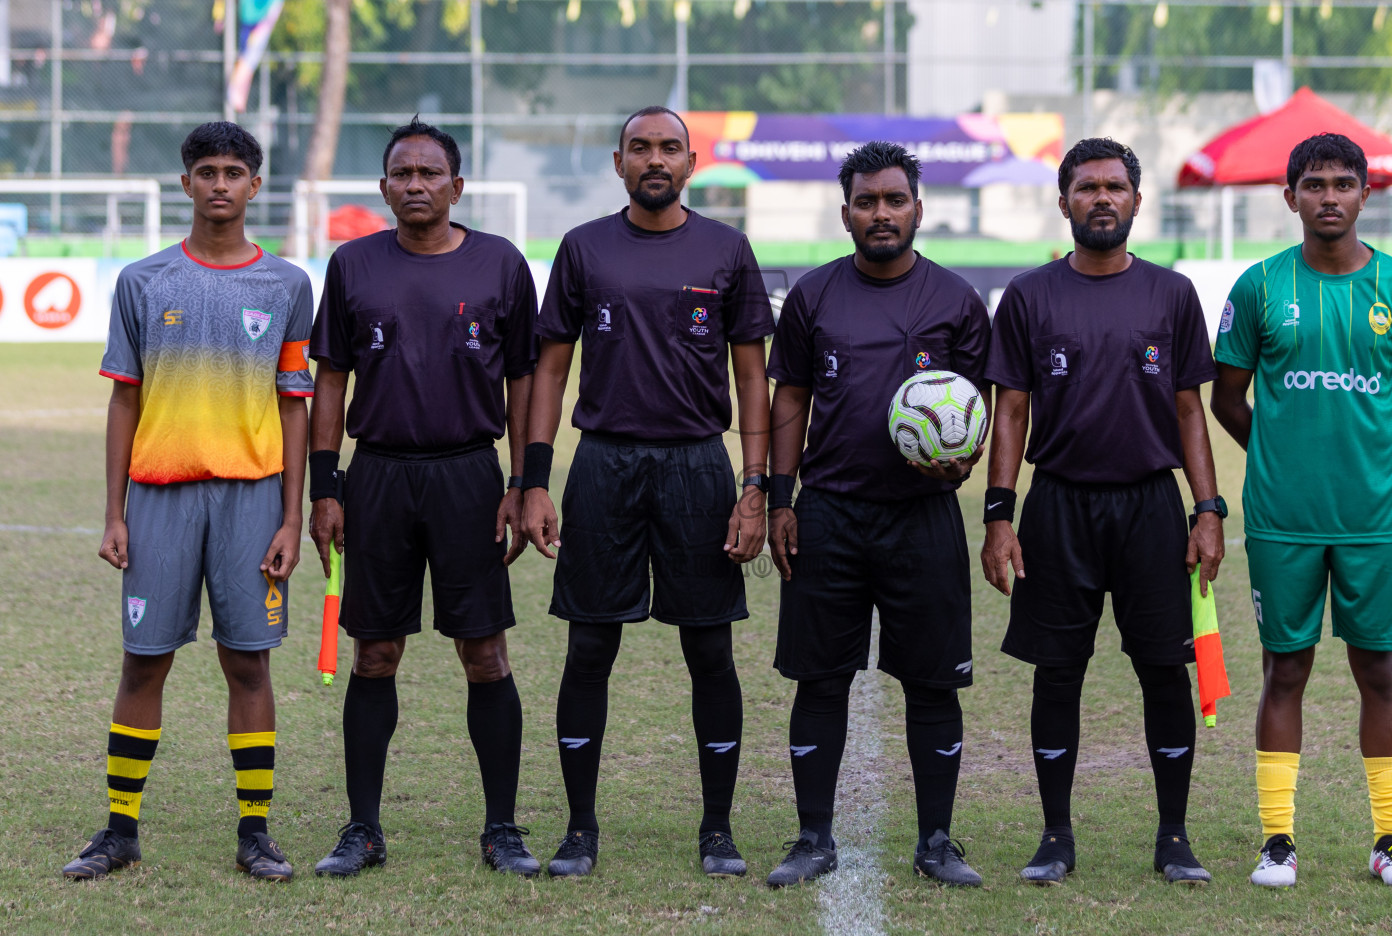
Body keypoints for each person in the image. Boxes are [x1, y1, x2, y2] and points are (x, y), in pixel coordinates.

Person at [520, 105, 774, 879]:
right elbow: (552, 370)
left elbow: (753, 375)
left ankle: (719, 830)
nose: (654, 159)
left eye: (669, 148)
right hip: (603, 464)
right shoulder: (583, 247)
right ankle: (579, 829)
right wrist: (535, 478)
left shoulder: (727, 249)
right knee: (589, 645)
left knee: (710, 649)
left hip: (699, 465)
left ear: (691, 163)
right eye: (640, 148)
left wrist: (756, 485)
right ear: (618, 161)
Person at [64, 122, 310, 882]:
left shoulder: (289, 286)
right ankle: (119, 830)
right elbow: (122, 403)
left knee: (249, 665)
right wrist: (114, 511)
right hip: (160, 500)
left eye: (234, 171)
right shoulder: (143, 281)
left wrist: (292, 518)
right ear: (186, 184)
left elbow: (296, 405)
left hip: (251, 500)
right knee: (144, 664)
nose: (220, 184)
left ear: (255, 186)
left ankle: (256, 831)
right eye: (206, 171)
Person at [980, 137, 1225, 887]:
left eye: (1115, 186)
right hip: (1058, 505)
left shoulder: (1171, 294)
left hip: (1152, 506)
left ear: (1137, 202)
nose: (1101, 198)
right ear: (1063, 203)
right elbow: (1012, 410)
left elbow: (1190, 411)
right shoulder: (1029, 295)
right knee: (1057, 674)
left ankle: (1174, 836)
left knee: (1163, 671)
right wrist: (998, 515)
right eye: (1086, 187)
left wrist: (1208, 508)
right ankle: (1056, 835)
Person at [307, 116, 541, 877]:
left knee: (485, 654)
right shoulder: (353, 265)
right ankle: (363, 829)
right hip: (376, 475)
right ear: (383, 188)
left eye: (429, 173)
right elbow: (331, 378)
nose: (415, 185)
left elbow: (525, 381)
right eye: (401, 174)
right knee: (374, 653)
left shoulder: (501, 265)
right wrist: (325, 486)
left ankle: (502, 828)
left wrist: (521, 480)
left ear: (457, 186)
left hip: (471, 475)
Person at [1210, 133, 1392, 890]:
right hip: (1282, 518)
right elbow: (1227, 399)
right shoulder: (1257, 287)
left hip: (1375, 518)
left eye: (1345, 183)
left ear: (1366, 196)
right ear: (1290, 198)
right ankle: (1278, 842)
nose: (1330, 196)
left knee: (1380, 670)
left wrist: (1368, 449)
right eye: (1315, 185)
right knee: (1285, 670)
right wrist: (1282, 454)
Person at [762, 141, 991, 889]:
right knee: (820, 680)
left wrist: (964, 464)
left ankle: (936, 842)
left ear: (918, 209)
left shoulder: (956, 300)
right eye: (868, 202)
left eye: (895, 200)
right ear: (846, 212)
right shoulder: (815, 296)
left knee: (933, 683)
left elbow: (983, 409)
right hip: (828, 512)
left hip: (922, 515)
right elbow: (789, 398)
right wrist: (782, 496)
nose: (882, 214)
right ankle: (812, 838)